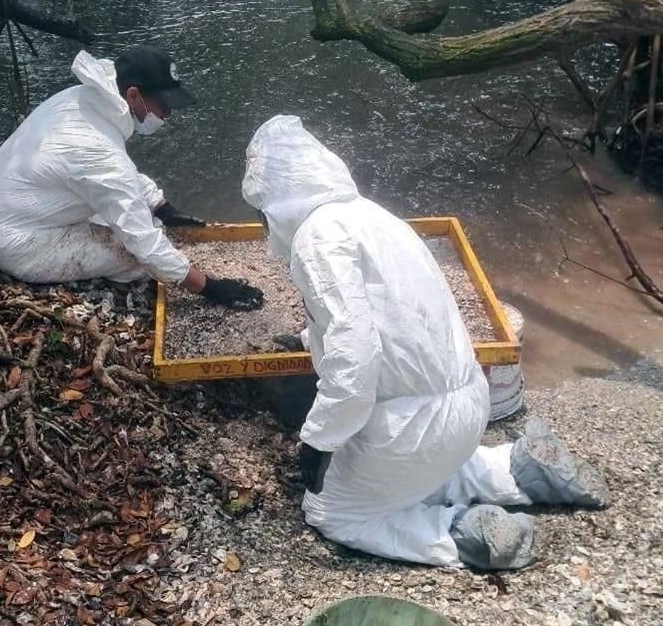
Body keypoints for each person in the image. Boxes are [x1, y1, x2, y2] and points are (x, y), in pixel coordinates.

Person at [242, 115, 610, 570]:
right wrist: (308, 336)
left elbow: (354, 366)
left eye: (260, 209)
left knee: (333, 510)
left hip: (412, 428)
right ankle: (518, 469)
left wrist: (318, 441)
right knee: (429, 465)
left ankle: (460, 536)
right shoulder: (375, 217)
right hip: (469, 406)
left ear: (276, 200)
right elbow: (391, 318)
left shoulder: (317, 240)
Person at [0, 46, 263, 308]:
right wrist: (210, 287)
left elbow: (113, 174)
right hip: (19, 242)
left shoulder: (84, 99)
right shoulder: (98, 151)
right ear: (133, 95)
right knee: (137, 258)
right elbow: (141, 238)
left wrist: (161, 206)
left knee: (141, 222)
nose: (168, 113)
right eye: (163, 105)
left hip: (12, 206)